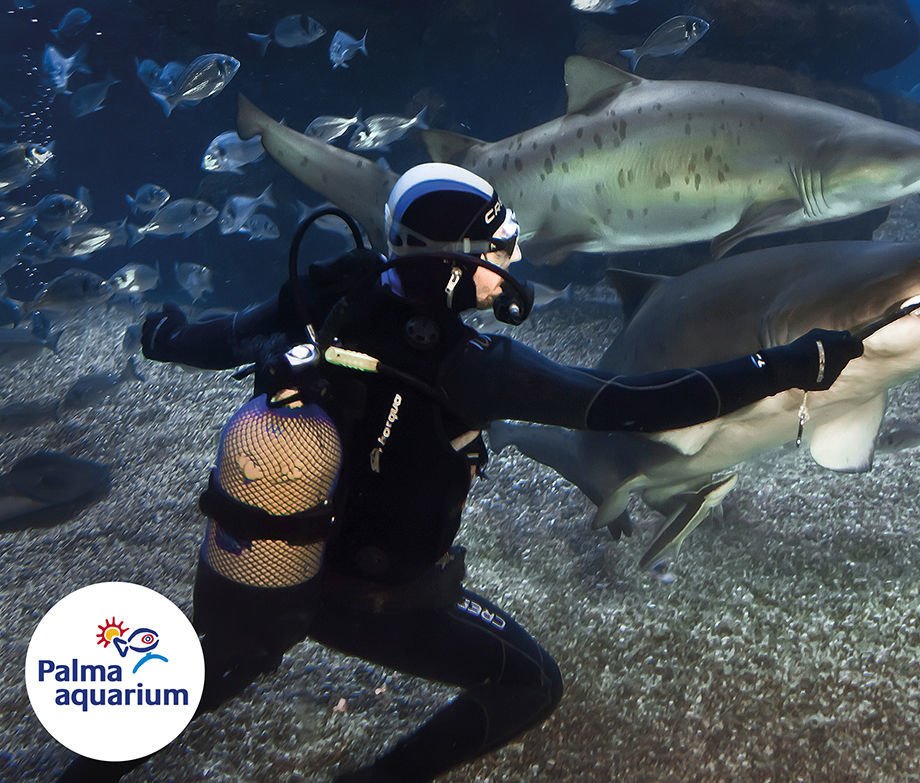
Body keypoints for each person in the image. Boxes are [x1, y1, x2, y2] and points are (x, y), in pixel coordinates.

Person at [59, 162, 863, 782]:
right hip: (380, 596)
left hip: (275, 573)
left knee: (195, 679)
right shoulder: (472, 365)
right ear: (457, 262)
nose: (513, 260)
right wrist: (788, 365)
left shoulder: (334, 293)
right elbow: (633, 404)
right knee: (531, 685)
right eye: (500, 246)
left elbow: (225, 336)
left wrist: (162, 335)